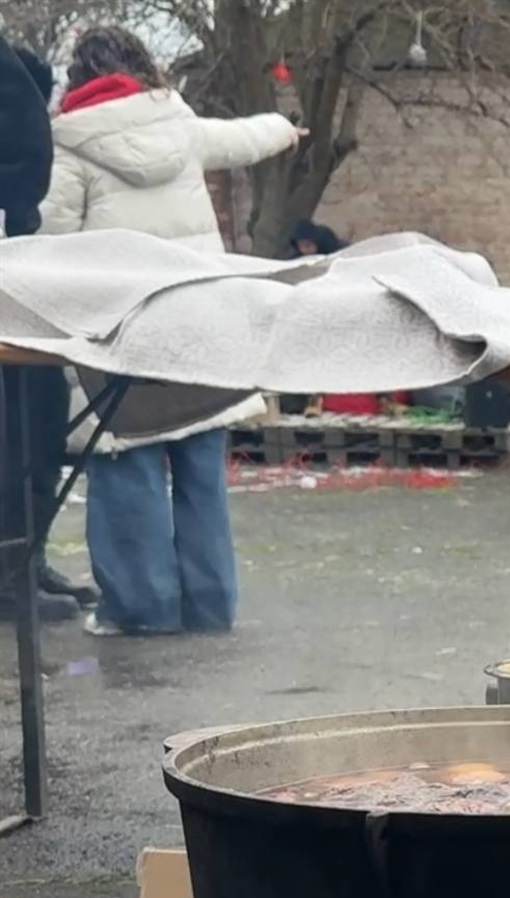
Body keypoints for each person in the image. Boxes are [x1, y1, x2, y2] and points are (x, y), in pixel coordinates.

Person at [39, 25, 302, 635]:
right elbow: (245, 138)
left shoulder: (69, 147)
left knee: (126, 465)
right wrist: (287, 129)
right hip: (197, 327)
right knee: (200, 465)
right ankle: (210, 607)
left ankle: (142, 610)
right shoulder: (180, 125)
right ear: (141, 67)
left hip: (119, 337)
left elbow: (48, 247)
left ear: (79, 77)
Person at [0, 39, 93, 622]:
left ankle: (23, 558)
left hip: (15, 262)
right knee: (20, 425)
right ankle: (14, 567)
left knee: (35, 417)